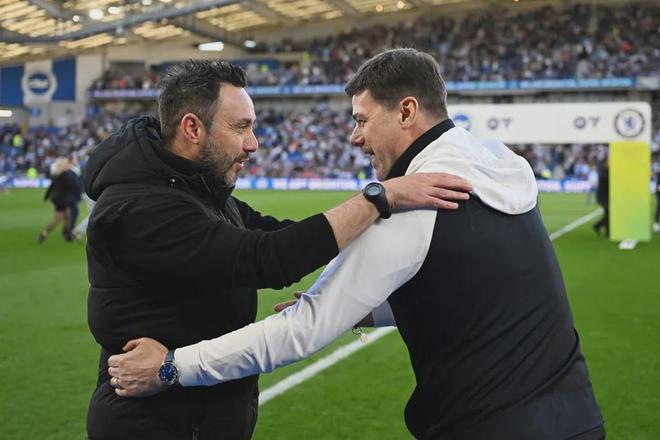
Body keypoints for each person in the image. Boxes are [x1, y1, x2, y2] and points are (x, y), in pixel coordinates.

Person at [107, 49, 604, 439]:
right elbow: (463, 283)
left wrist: (172, 367)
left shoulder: (417, 200)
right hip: (577, 416)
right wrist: (361, 310)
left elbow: (301, 331)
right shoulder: (499, 163)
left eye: (362, 120)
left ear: (406, 111)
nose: (353, 137)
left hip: (488, 426)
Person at [83, 59, 471, 440]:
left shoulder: (199, 190)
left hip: (202, 414)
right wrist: (378, 198)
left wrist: (393, 235)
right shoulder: (144, 208)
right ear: (192, 128)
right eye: (241, 127)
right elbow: (267, 259)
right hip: (155, 420)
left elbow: (284, 234)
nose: (253, 144)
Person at [37, 157, 76, 244]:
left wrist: (46, 197)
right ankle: (43, 233)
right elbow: (70, 186)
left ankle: (67, 234)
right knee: (58, 219)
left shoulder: (57, 174)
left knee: (67, 216)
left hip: (56, 198)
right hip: (61, 199)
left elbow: (51, 187)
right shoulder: (65, 175)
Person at [593, 158, 609, 236]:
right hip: (603, 196)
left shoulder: (604, 169)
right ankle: (607, 231)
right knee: (609, 213)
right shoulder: (602, 169)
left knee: (609, 214)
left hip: (606, 196)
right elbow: (604, 178)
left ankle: (598, 226)